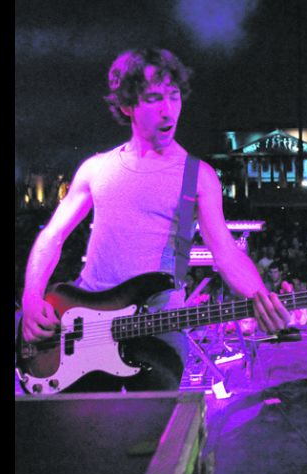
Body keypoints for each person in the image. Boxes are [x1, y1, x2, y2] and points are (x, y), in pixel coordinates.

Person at [20, 48, 290, 393]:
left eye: (174, 96)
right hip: (82, 322)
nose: (168, 109)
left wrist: (261, 296)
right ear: (126, 105)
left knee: (150, 422)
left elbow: (225, 252)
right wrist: (32, 298)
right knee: (80, 423)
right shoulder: (96, 168)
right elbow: (52, 235)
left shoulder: (197, 176)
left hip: (157, 326)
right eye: (153, 98)